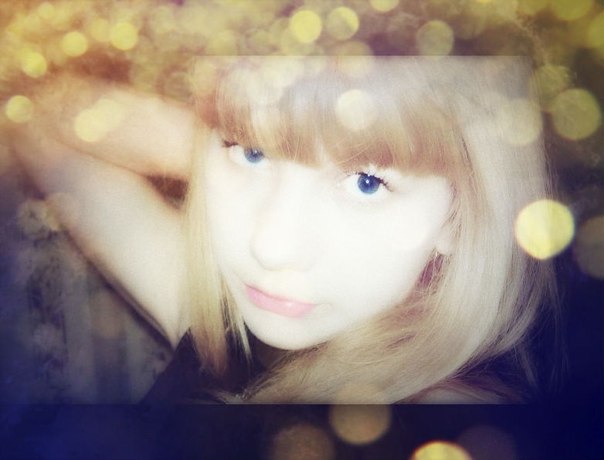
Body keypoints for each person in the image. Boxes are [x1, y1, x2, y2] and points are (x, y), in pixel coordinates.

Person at [8, 56, 558, 403]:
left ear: (461, 218)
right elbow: (30, 115)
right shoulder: (218, 331)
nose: (270, 247)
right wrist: (218, 139)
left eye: (367, 182)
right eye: (249, 154)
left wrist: (265, 140)